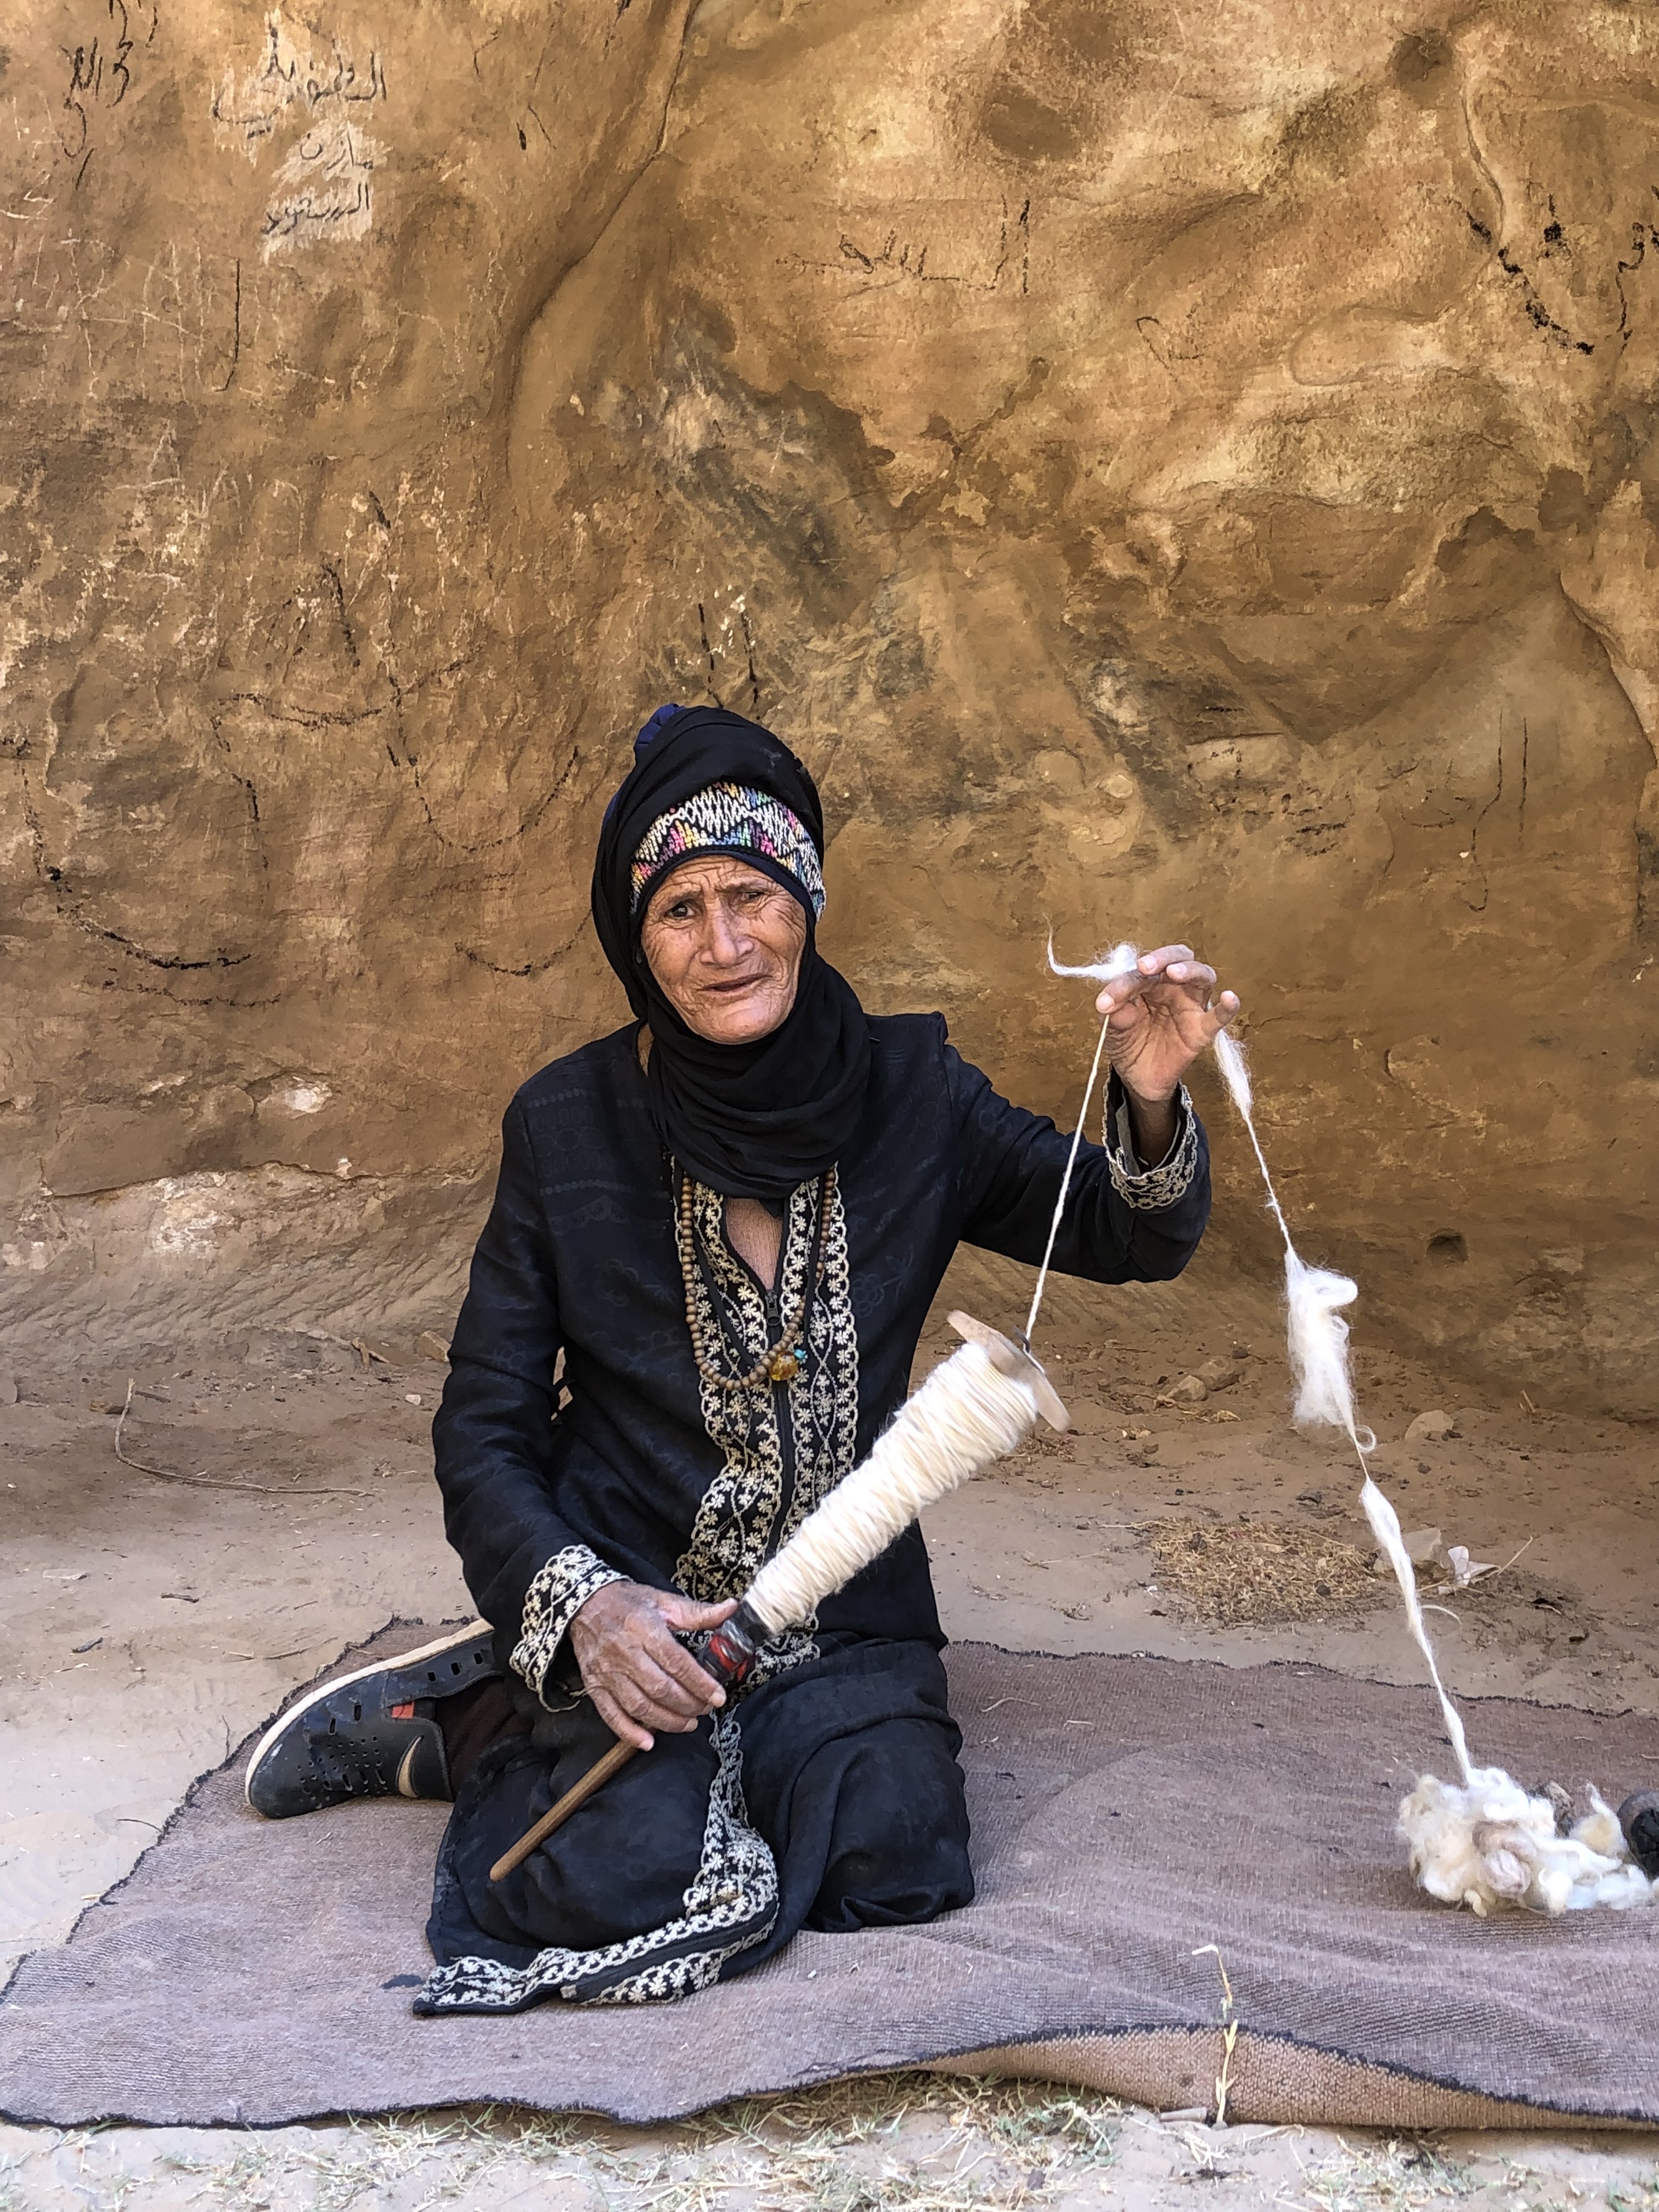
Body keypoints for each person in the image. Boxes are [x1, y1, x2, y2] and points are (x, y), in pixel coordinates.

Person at [244, 704, 1239, 2011]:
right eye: (681, 910)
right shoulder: (566, 1125)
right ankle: (474, 1715)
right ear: (635, 938)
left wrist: (1151, 1094)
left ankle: (621, 1728)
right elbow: (483, 1429)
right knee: (608, 1875)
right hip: (634, 1602)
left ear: (806, 899)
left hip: (842, 1621)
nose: (725, 945)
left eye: (754, 895)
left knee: (898, 1853)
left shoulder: (917, 1091)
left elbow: (1122, 1234)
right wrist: (585, 1607)